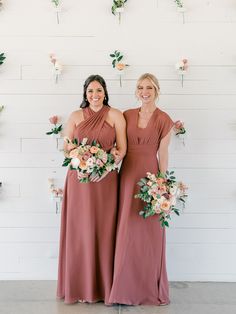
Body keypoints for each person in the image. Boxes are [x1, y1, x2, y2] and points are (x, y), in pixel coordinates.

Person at [57, 74, 127, 304]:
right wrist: (79, 157)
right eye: (90, 91)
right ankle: (79, 286)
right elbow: (66, 147)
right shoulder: (76, 116)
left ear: (105, 92)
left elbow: (121, 150)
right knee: (80, 230)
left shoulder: (116, 115)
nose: (94, 95)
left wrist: (106, 166)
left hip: (105, 181)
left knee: (104, 230)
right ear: (85, 94)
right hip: (79, 180)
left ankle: (104, 288)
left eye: (98, 91)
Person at [109, 73, 174, 305]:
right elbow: (118, 146)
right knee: (126, 229)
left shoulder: (165, 119)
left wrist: (162, 186)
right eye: (140, 87)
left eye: (148, 87)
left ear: (157, 90)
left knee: (149, 232)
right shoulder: (126, 115)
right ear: (136, 91)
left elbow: (163, 155)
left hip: (150, 178)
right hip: (126, 176)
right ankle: (123, 288)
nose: (144, 91)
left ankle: (148, 287)